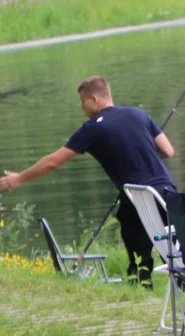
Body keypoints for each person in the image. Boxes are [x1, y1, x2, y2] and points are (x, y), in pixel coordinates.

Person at [0, 76, 175, 288]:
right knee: (177, 257)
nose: (82, 108)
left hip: (138, 199)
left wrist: (19, 178)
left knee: (140, 265)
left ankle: (143, 292)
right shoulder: (139, 114)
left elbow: (53, 162)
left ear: (94, 99)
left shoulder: (93, 128)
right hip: (168, 194)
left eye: (82, 101)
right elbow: (168, 151)